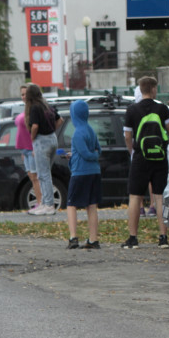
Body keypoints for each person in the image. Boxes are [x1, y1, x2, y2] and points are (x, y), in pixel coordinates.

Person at [122, 76, 169, 249]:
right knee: (159, 197)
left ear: (140, 89)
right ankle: (163, 238)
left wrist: (133, 152)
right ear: (153, 89)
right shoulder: (162, 109)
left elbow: (127, 136)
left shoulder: (132, 110)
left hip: (140, 158)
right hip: (159, 158)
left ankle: (133, 238)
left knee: (135, 196)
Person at [65, 99, 102, 250]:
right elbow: (98, 150)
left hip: (80, 172)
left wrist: (79, 155)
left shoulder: (77, 133)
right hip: (94, 172)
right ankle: (93, 239)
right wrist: (76, 154)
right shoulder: (90, 129)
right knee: (91, 205)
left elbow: (87, 154)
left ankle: (73, 237)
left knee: (71, 203)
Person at [25, 84, 60, 215]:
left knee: (43, 174)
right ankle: (45, 203)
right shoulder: (47, 105)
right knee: (46, 173)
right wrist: (51, 129)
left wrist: (33, 138)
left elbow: (34, 126)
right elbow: (60, 119)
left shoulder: (34, 107)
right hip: (52, 139)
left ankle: (48, 205)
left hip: (42, 140)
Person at [15, 84, 41, 209]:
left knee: (35, 177)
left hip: (32, 149)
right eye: (22, 94)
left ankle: (41, 202)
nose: (24, 96)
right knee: (31, 177)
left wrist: (33, 145)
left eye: (26, 94)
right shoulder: (25, 109)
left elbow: (35, 128)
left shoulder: (33, 109)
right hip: (25, 149)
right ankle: (39, 202)